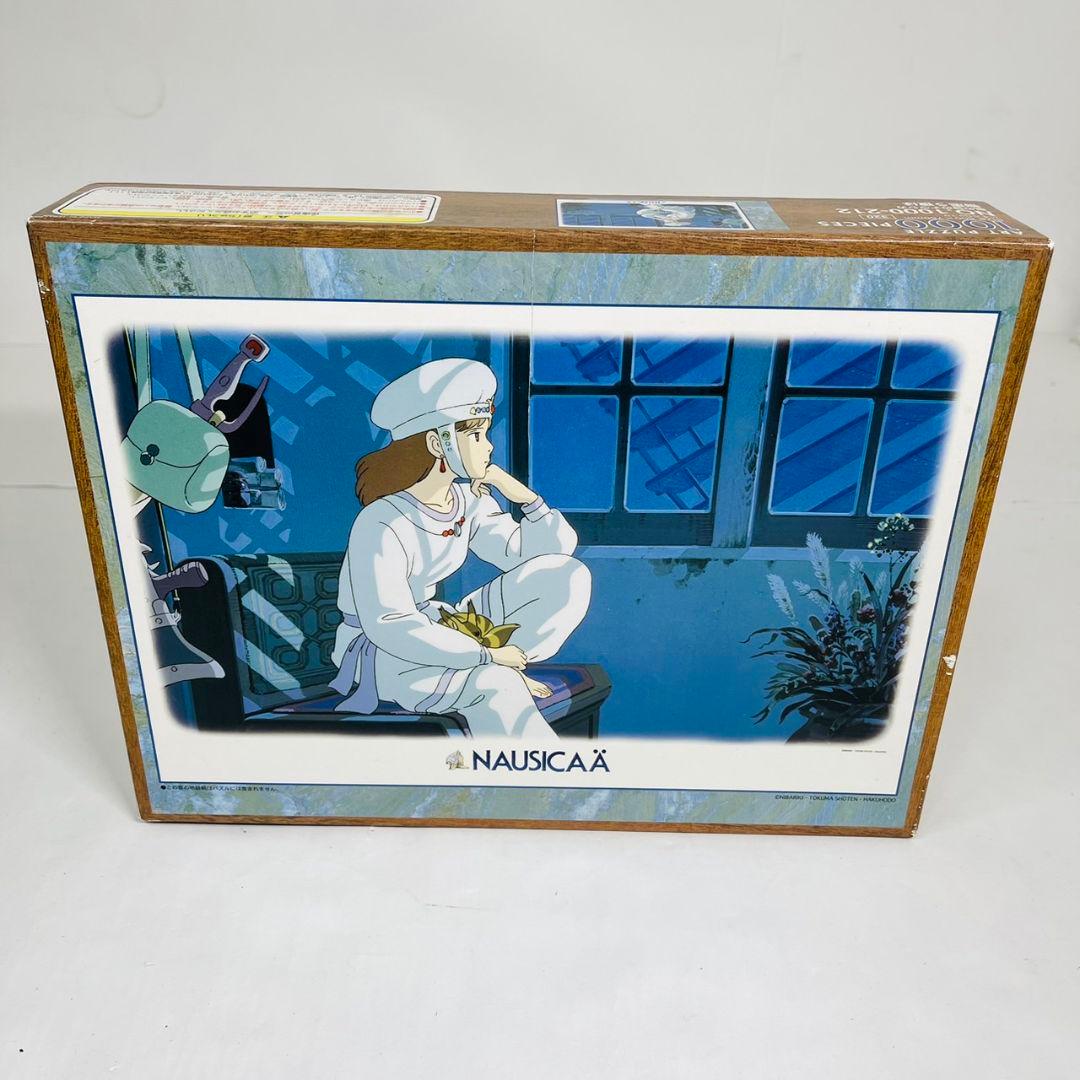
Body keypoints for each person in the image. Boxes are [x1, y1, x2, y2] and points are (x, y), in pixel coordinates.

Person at [330, 357, 592, 739]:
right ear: (438, 443)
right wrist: (486, 656)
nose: (489, 446)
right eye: (477, 435)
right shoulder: (381, 522)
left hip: (442, 625)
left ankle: (501, 666)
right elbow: (391, 624)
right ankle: (500, 680)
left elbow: (542, 555)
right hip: (384, 650)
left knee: (567, 577)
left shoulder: (467, 500)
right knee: (495, 687)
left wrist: (522, 496)